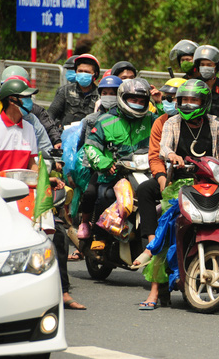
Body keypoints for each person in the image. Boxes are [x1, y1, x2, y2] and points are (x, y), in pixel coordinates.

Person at [0, 78, 85, 310]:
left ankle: (62, 292)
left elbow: (33, 166)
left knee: (58, 236)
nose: (30, 101)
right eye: (26, 97)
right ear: (12, 100)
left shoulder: (30, 128)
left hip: (24, 192)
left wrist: (48, 178)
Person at [155, 79, 219, 310]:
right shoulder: (172, 123)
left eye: (194, 100)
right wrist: (172, 156)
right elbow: (164, 148)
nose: (189, 104)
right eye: (185, 100)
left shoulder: (216, 126)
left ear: (205, 102)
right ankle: (155, 289)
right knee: (167, 226)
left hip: (210, 182)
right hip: (180, 183)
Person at [131, 77, 186, 309]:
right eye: (166, 98)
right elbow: (156, 156)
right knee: (145, 190)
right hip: (169, 178)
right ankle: (152, 241)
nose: (169, 102)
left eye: (175, 99)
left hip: (197, 182)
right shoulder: (162, 123)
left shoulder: (208, 124)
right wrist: (163, 178)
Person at [83, 78, 156, 244]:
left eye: (141, 101)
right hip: (113, 174)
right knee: (104, 195)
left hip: (145, 172)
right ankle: (99, 235)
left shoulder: (152, 119)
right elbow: (91, 148)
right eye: (133, 100)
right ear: (123, 98)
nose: (137, 103)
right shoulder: (105, 121)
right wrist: (105, 163)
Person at [75, 74, 123, 240]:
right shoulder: (92, 120)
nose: (108, 96)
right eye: (105, 93)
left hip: (124, 166)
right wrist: (101, 164)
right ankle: (85, 223)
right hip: (100, 167)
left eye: (113, 92)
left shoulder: (127, 119)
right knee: (91, 192)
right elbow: (88, 146)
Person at [1, 65, 62, 149]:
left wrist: (56, 141)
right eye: (24, 96)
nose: (28, 100)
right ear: (11, 99)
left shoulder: (31, 122)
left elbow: (44, 148)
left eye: (29, 96)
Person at [48, 53, 101, 127]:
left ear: (95, 74)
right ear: (76, 72)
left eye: (87, 72)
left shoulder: (100, 95)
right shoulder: (65, 91)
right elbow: (50, 114)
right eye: (80, 71)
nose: (83, 74)